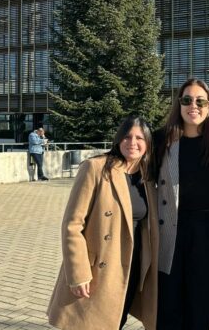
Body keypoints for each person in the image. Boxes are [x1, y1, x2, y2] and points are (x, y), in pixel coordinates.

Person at [47, 116, 159, 330]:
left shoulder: (147, 177)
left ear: (148, 143)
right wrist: (78, 273)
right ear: (118, 140)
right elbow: (72, 224)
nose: (132, 143)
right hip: (99, 270)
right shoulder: (96, 168)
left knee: (118, 320)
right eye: (127, 136)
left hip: (131, 266)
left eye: (139, 138)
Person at [154, 78, 209, 330]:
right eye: (187, 100)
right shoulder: (161, 139)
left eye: (200, 101)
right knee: (169, 306)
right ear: (179, 104)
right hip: (170, 231)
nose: (193, 106)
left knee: (201, 305)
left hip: (206, 231)